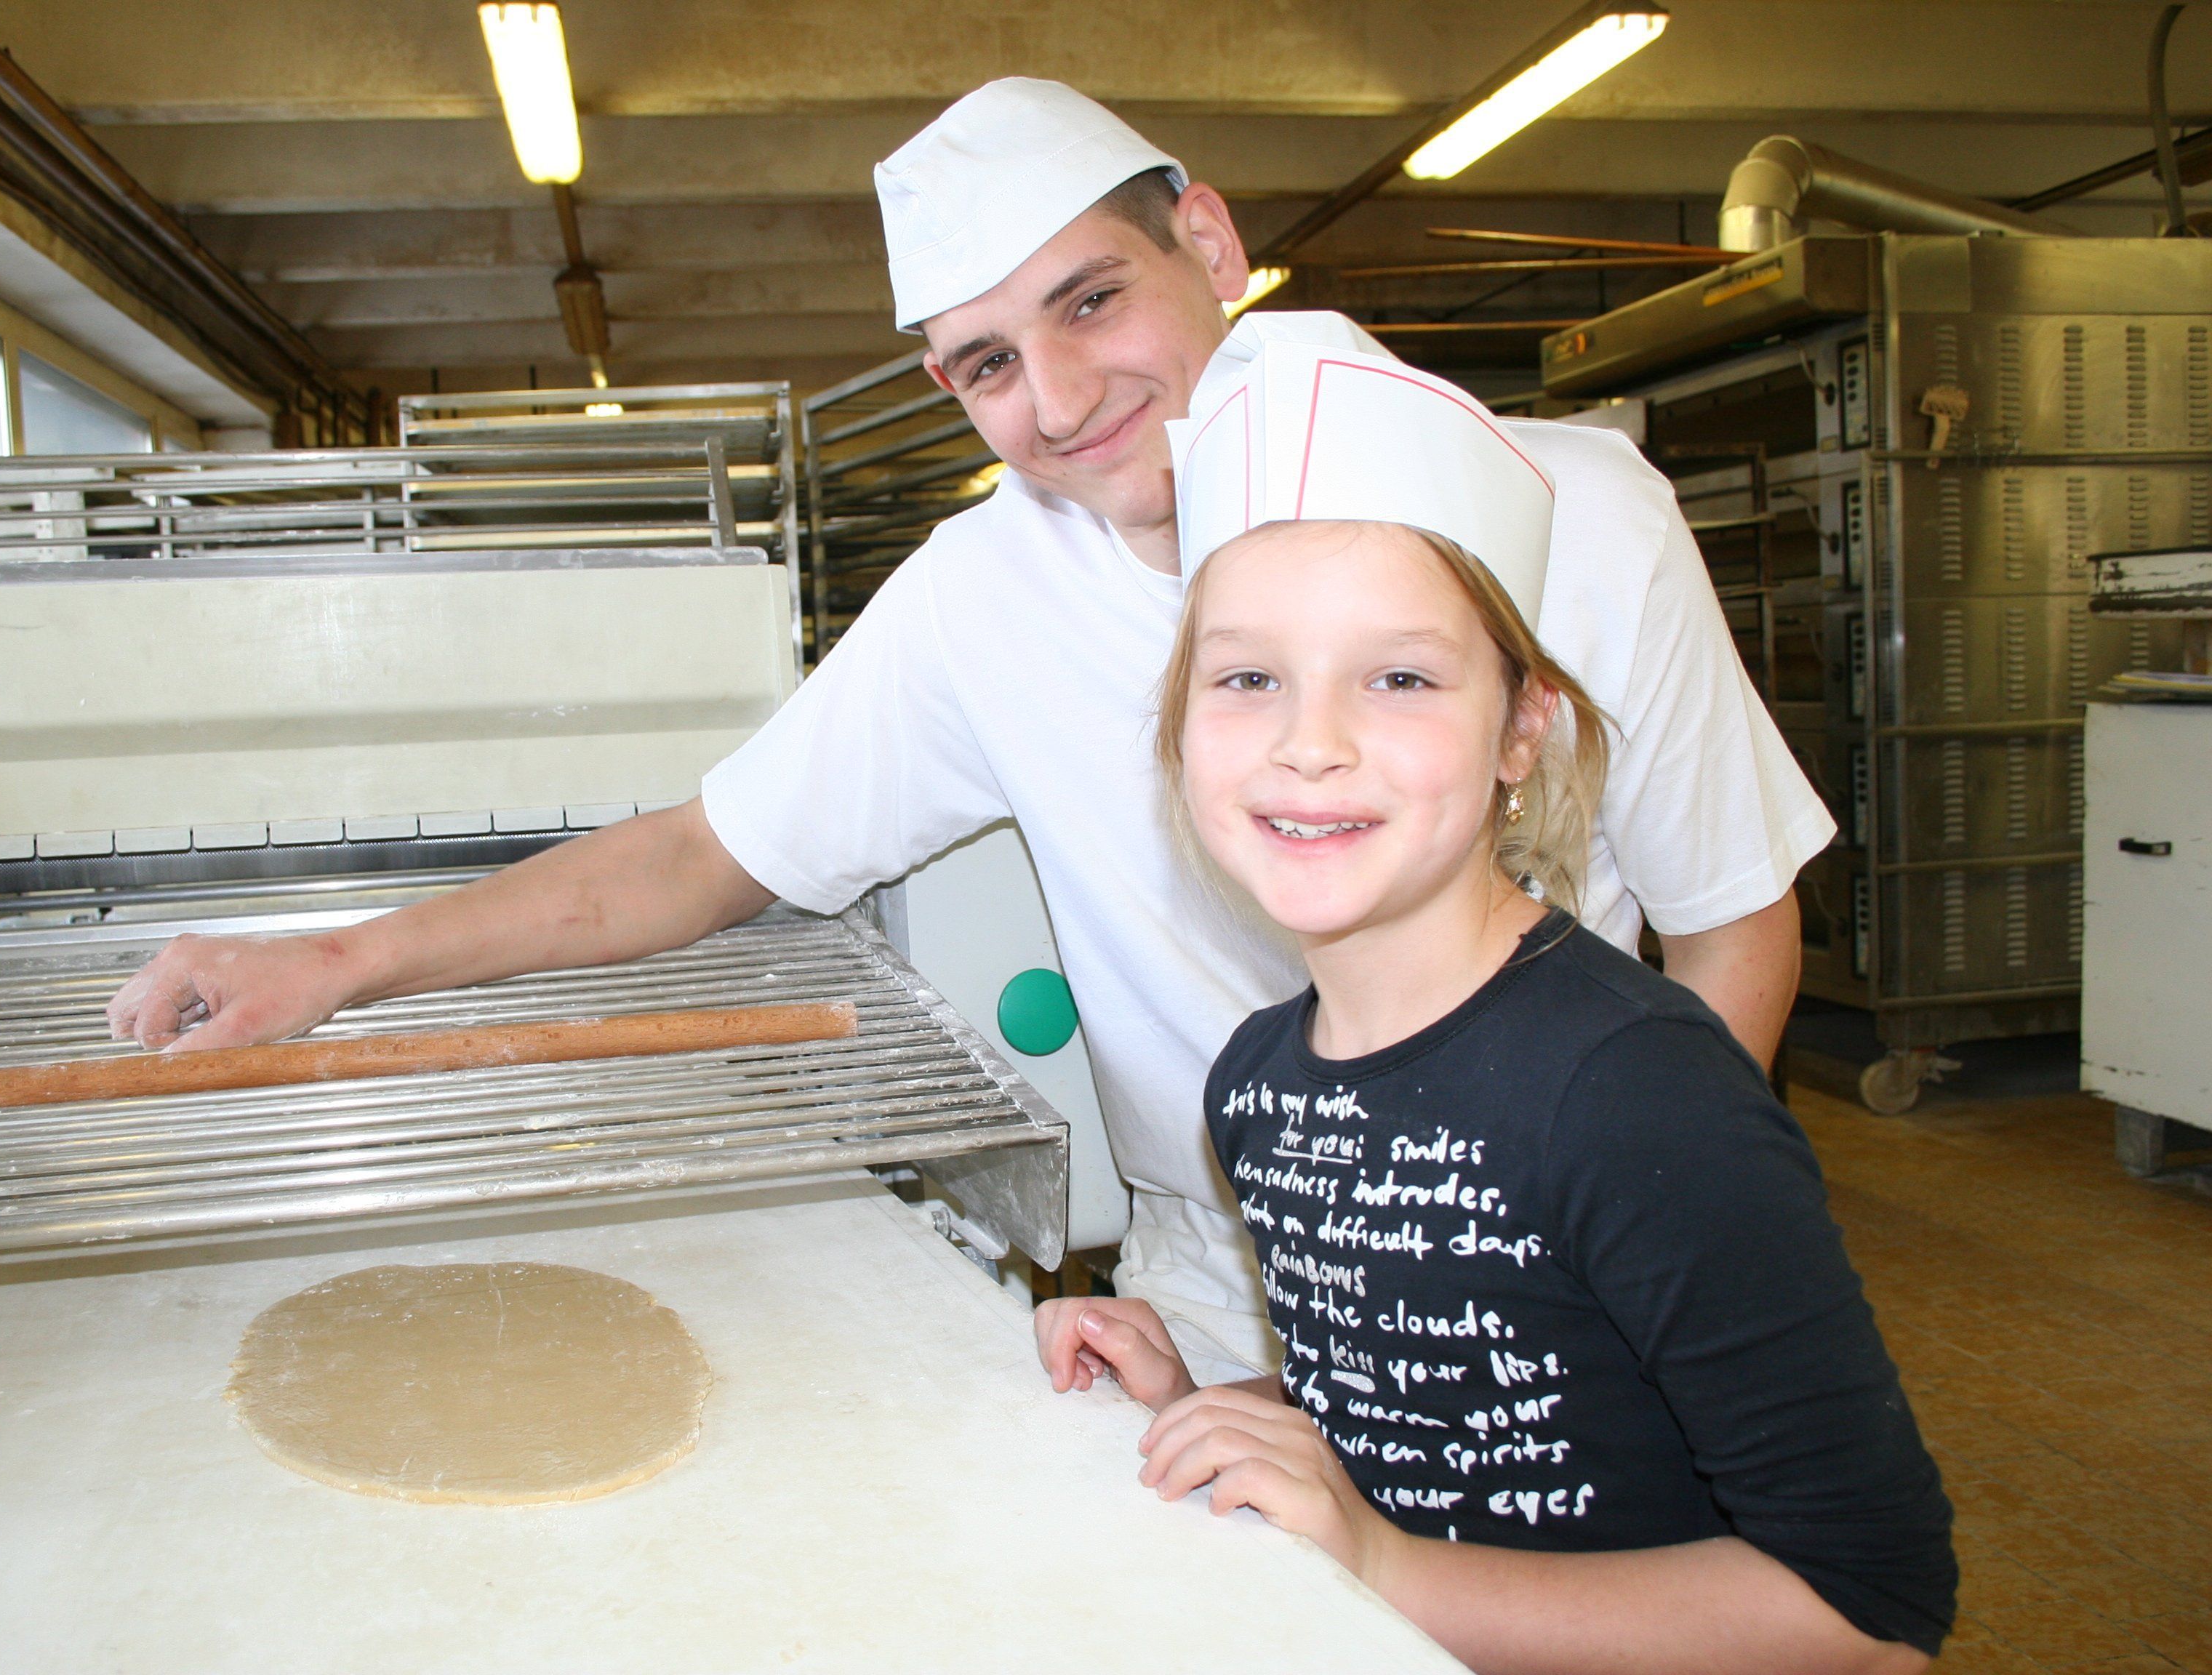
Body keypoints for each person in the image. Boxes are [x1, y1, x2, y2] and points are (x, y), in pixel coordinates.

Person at [107, 79, 1835, 1386]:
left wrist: (1635, 1233)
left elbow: (1731, 917)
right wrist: (341, 960)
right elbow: (703, 854)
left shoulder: (1572, 516)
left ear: (1209, 244)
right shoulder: (982, 598)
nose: (1059, 402)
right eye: (985, 365)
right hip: (1222, 1283)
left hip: (1562, 1250)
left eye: (1091, 301)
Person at [1036, 328, 1951, 1674]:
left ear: (1524, 726)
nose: (1310, 742)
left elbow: (1873, 1612)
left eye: (1400, 677)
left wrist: (1383, 1567)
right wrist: (1211, 1405)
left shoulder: (1640, 1091)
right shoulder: (1262, 1088)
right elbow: (1425, 1411)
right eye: (1248, 678)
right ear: (1180, 728)